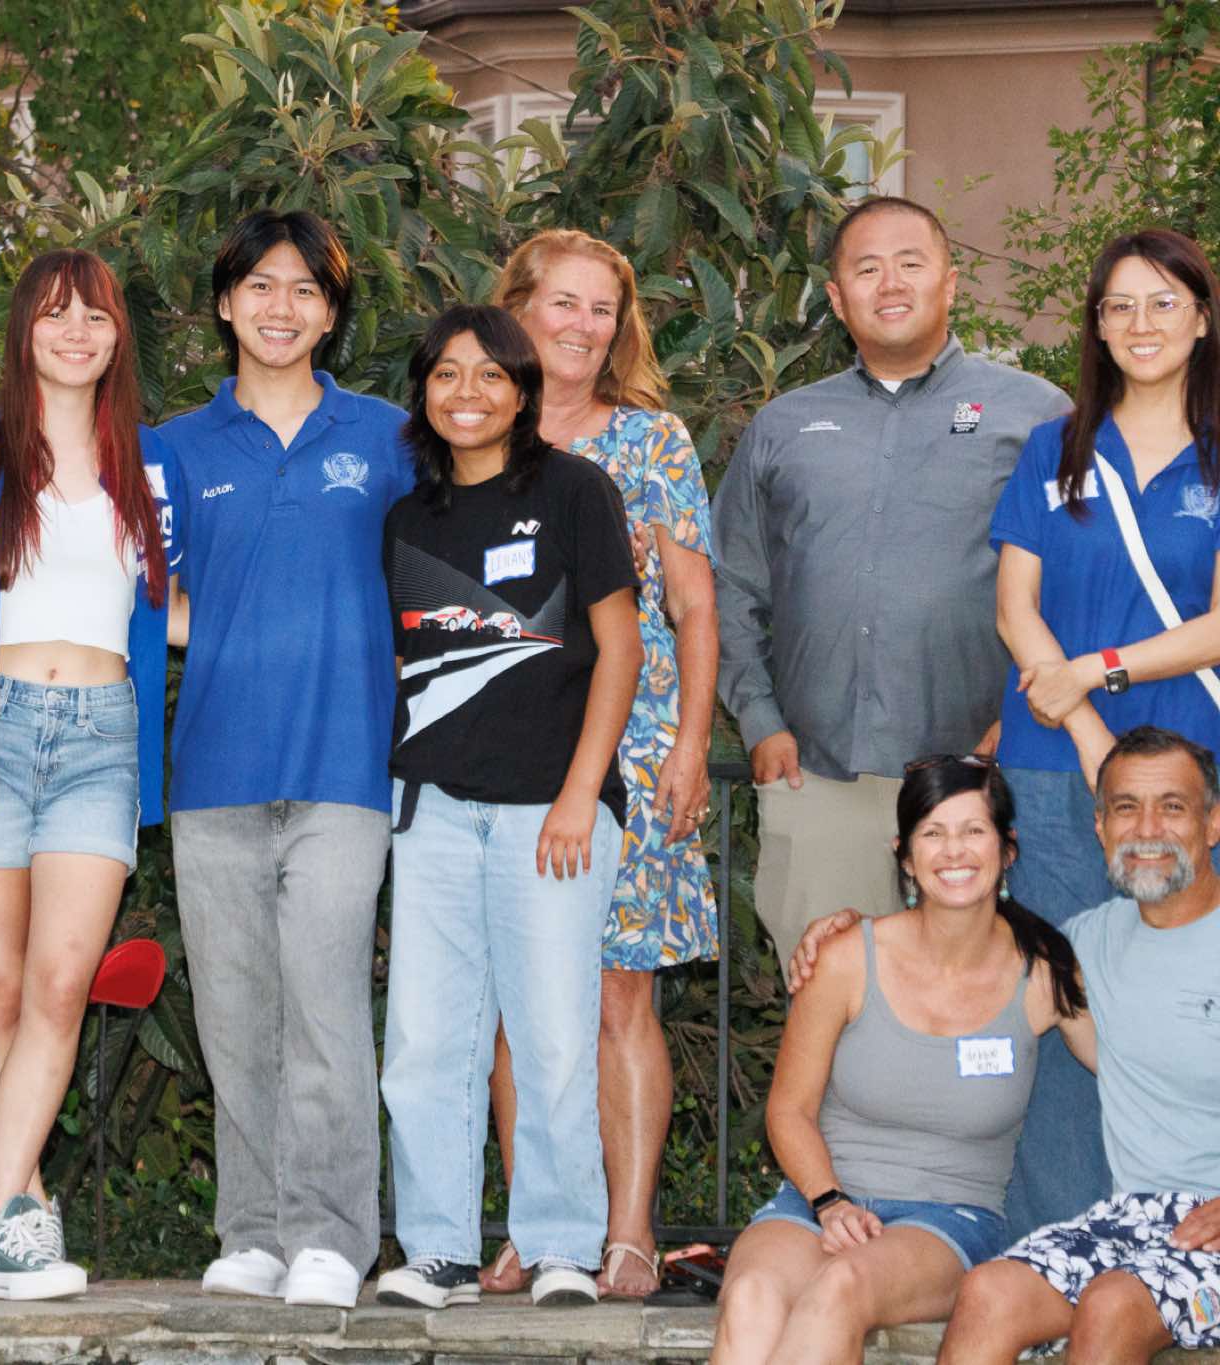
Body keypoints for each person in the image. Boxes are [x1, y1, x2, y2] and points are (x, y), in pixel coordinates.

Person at [0, 248, 178, 1300]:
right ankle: (21, 1219)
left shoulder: (152, 465)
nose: (74, 332)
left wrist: (299, 636)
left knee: (62, 981)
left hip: (103, 735)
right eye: (54, 313)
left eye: (94, 316)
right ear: (25, 329)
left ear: (117, 337)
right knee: (0, 984)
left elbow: (178, 610)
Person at [713, 195, 1069, 976]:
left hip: (981, 780)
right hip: (819, 779)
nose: (891, 283)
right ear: (837, 298)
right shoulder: (783, 426)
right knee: (827, 1003)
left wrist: (1020, 718)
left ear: (951, 281)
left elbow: (1076, 585)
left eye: (911, 262)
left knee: (978, 1004)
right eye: (867, 268)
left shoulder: (1039, 415)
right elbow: (730, 586)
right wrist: (760, 719)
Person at [161, 209, 411, 1308]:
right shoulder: (174, 447)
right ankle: (252, 1231)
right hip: (214, 769)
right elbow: (136, 591)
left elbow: (430, 577)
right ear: (225, 304)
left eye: (306, 289)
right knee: (232, 1015)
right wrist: (219, 628)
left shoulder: (388, 437)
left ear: (331, 314)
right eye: (260, 285)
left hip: (345, 770)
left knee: (324, 1008)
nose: (281, 306)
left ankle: (330, 1236)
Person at [372, 304, 641, 1311]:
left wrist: (579, 793)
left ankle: (562, 1244)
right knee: (425, 1044)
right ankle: (437, 1248)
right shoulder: (408, 521)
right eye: (446, 374)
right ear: (423, 392)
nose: (467, 393)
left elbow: (619, 648)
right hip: (434, 810)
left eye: (490, 374)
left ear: (522, 393)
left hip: (551, 815)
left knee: (554, 1038)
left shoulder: (574, 491)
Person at [480, 226, 720, 1298]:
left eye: (602, 309)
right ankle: (537, 1228)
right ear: (517, 309)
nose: (582, 326)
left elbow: (694, 605)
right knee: (514, 1006)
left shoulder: (652, 441)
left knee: (620, 997)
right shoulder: (470, 427)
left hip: (635, 748)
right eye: (563, 303)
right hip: (500, 751)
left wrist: (691, 745)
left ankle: (626, 1232)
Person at [986, 227, 1220, 1234]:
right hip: (1052, 765)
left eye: (1163, 302)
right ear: (1095, 325)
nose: (1140, 323)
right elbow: (1014, 609)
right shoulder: (1055, 447)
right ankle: (1057, 1242)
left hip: (1191, 767)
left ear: (1201, 319)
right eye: (1119, 305)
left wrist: (1099, 670)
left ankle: (1185, 1232)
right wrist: (1086, 728)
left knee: (1187, 997)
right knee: (1058, 996)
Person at [713, 755, 1090, 1365]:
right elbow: (788, 1110)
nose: (954, 850)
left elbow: (1141, 1070)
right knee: (751, 1296)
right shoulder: (845, 957)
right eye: (933, 833)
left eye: (973, 830)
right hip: (821, 1199)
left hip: (948, 1219)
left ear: (1007, 849)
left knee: (842, 1286)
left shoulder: (1045, 974)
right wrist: (829, 1201)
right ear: (906, 857)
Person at [937, 727, 1220, 1364]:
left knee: (1113, 1303)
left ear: (1213, 824)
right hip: (1134, 1221)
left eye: (1173, 807)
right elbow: (947, 963)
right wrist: (849, 933)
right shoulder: (1082, 943)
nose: (1147, 829)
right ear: (1100, 827)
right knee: (990, 1292)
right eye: (1126, 807)